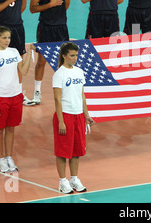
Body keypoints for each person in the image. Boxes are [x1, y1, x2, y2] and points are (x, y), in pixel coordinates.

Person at [0, 26, 34, 173]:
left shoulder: (14, 52)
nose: (7, 41)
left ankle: (9, 157)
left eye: (9, 38)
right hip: (1, 97)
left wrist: (30, 53)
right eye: (4, 38)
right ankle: (1, 160)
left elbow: (23, 71)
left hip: (16, 95)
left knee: (11, 128)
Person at [53, 42, 95, 194]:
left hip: (78, 116)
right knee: (63, 151)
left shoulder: (79, 72)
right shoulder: (59, 74)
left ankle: (74, 179)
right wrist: (61, 121)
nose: (75, 58)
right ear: (64, 56)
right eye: (72, 55)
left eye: (76, 55)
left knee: (76, 151)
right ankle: (62, 181)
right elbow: (57, 99)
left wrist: (86, 115)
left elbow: (82, 95)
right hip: (65, 116)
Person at [30, 0, 71, 105]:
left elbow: (65, 6)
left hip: (61, 28)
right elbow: (33, 8)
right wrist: (50, 5)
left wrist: (57, 11)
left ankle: (65, 91)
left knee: (63, 61)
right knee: (42, 61)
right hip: (45, 28)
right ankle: (37, 92)